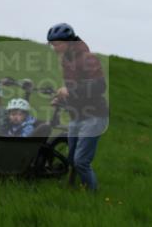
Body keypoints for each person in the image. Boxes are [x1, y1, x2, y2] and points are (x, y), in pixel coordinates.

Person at [47, 23, 109, 191]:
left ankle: (92, 195)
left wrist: (70, 90)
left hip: (94, 116)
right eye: (52, 44)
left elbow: (99, 86)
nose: (54, 48)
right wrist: (61, 99)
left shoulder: (88, 59)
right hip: (77, 115)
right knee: (72, 158)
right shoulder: (67, 60)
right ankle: (72, 188)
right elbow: (75, 90)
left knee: (81, 161)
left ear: (69, 42)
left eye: (57, 44)